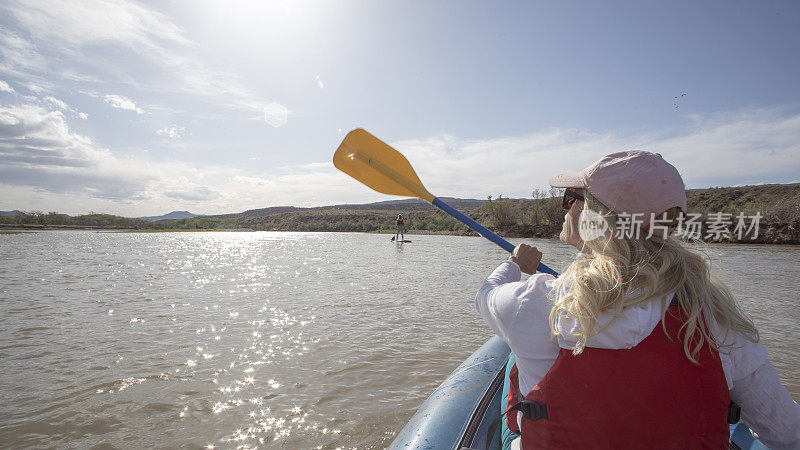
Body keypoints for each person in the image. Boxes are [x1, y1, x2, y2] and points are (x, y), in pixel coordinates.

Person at [475, 151, 800, 449]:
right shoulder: (714, 314)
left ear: (592, 216)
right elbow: (787, 432)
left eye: (570, 199)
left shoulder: (536, 301)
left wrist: (516, 265)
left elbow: (486, 295)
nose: (566, 208)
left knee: (513, 361)